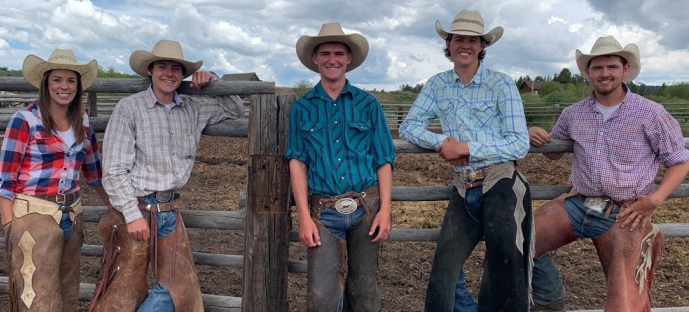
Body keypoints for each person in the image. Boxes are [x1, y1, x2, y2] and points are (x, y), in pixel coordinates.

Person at [528, 35, 689, 311]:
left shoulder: (652, 113)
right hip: (578, 203)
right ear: (587, 73)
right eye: (597, 68)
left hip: (625, 211)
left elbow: (680, 162)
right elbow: (554, 152)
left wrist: (655, 200)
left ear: (625, 70)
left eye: (612, 67)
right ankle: (550, 298)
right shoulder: (573, 113)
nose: (605, 74)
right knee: (517, 240)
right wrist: (536, 136)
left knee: (624, 301)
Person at [88, 39, 244, 312]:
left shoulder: (194, 107)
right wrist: (131, 214)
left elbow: (235, 108)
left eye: (175, 68)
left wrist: (214, 81)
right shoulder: (130, 108)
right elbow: (113, 170)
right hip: (137, 206)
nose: (169, 73)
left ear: (183, 74)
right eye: (162, 66)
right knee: (125, 285)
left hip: (168, 209)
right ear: (150, 70)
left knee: (177, 287)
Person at [398, 9, 533, 312]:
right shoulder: (438, 84)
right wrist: (442, 142)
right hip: (464, 186)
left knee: (505, 265)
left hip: (501, 183)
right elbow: (409, 125)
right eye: (459, 38)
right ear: (449, 43)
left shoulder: (501, 84)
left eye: (473, 40)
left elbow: (519, 142)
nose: (465, 45)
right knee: (443, 271)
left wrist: (467, 149)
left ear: (482, 45)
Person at [286, 22, 395, 311]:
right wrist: (304, 218)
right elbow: (297, 162)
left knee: (364, 290)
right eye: (325, 54)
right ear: (315, 59)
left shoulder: (368, 105)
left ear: (349, 59)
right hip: (323, 211)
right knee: (321, 295)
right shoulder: (302, 108)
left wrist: (385, 211)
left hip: (365, 207)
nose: (332, 60)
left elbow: (384, 160)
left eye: (338, 53)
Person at [0, 48, 111, 311]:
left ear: (78, 86)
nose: (64, 86)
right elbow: (5, 177)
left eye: (71, 80)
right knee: (37, 295)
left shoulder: (82, 121)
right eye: (57, 79)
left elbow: (94, 172)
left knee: (68, 288)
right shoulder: (25, 120)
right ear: (46, 82)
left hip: (71, 213)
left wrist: (114, 205)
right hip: (34, 214)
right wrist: (9, 223)